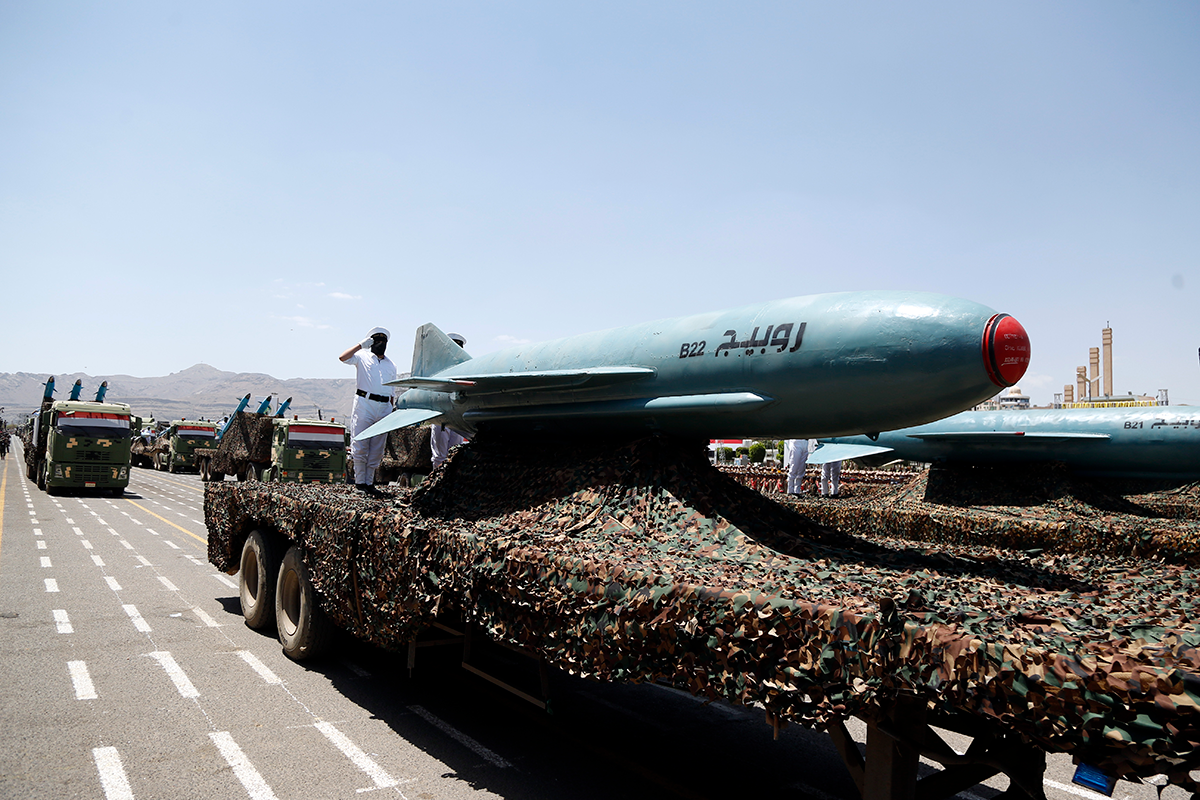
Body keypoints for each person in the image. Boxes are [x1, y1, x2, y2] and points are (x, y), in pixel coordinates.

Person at [339, 327, 398, 493]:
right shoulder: (361, 357)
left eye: (383, 341)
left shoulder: (391, 364)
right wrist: (360, 345)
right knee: (360, 443)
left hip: (384, 406)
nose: (380, 344)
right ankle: (359, 483)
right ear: (370, 342)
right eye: (376, 340)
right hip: (365, 403)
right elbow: (342, 357)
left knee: (377, 447)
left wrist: (390, 409)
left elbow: (392, 391)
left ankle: (369, 483)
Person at [430, 332, 467, 469]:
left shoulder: (465, 369)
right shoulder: (437, 367)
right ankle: (438, 484)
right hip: (441, 414)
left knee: (455, 454)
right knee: (439, 456)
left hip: (456, 415)